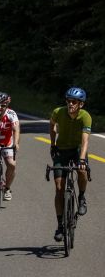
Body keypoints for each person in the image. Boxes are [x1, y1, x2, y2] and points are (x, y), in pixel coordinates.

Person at [49, 87, 91, 242]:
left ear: (81, 104)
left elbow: (85, 140)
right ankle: (60, 225)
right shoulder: (58, 112)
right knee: (59, 188)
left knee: (81, 171)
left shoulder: (85, 117)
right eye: (68, 101)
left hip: (77, 149)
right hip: (61, 150)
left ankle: (81, 197)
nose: (70, 104)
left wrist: (81, 160)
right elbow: (52, 125)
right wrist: (52, 144)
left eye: (74, 102)